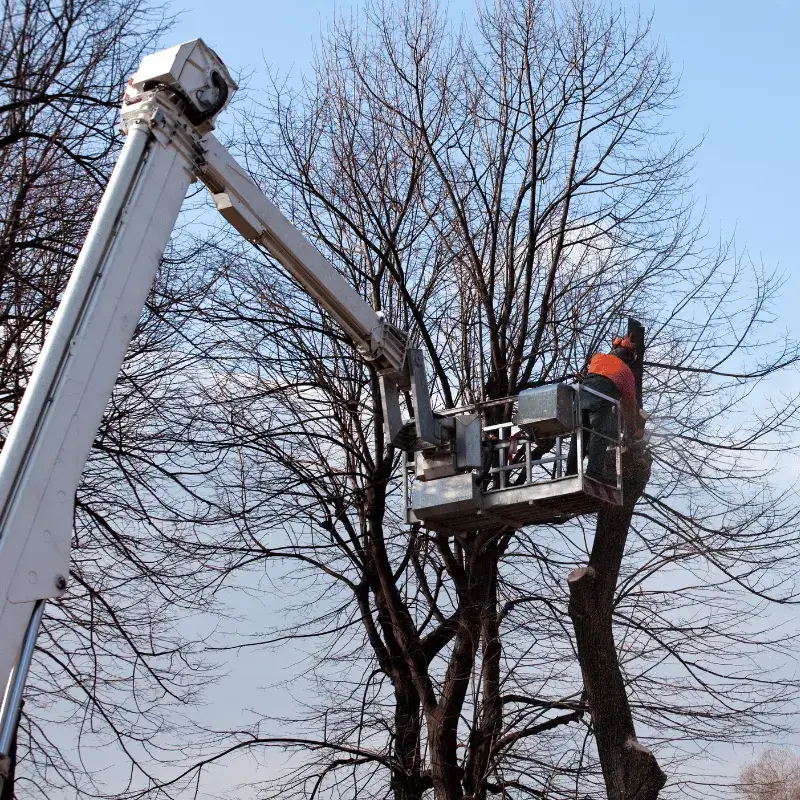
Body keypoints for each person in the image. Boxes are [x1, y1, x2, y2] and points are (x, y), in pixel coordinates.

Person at [565, 334, 639, 482]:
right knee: (599, 435)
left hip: (581, 399)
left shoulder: (597, 358)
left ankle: (570, 473)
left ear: (615, 348)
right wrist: (631, 429)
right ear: (629, 357)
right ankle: (594, 473)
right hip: (600, 402)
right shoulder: (626, 372)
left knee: (579, 435)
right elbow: (629, 404)